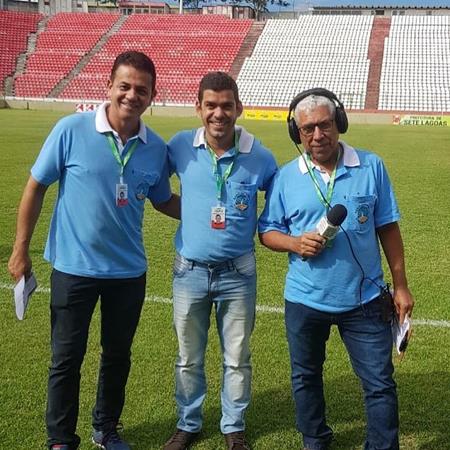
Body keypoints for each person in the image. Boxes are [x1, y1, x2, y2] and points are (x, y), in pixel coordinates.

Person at [8, 51, 179, 450]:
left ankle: (106, 429)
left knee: (117, 356)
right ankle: (60, 439)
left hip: (128, 273)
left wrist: (210, 213)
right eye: (125, 86)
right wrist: (20, 249)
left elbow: (162, 200)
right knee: (66, 359)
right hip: (74, 269)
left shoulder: (155, 148)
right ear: (109, 86)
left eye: (141, 89)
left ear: (152, 96)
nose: (132, 95)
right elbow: (36, 186)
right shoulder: (71, 129)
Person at [258, 88, 414, 450]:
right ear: (297, 133)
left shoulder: (371, 166)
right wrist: (295, 243)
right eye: (307, 129)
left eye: (325, 125)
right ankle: (315, 440)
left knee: (379, 383)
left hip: (365, 300)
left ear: (339, 123)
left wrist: (401, 285)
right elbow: (267, 232)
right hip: (305, 300)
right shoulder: (286, 177)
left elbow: (388, 228)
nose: (317, 135)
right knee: (305, 377)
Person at [163, 72, 277, 450]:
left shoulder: (260, 156)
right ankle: (188, 423)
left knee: (237, 357)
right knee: (188, 357)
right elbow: (154, 187)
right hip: (189, 271)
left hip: (238, 273)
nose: (218, 113)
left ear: (238, 108)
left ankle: (233, 427)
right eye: (210, 105)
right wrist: (192, 213)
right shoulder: (180, 146)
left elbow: (279, 202)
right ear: (198, 107)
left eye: (226, 105)